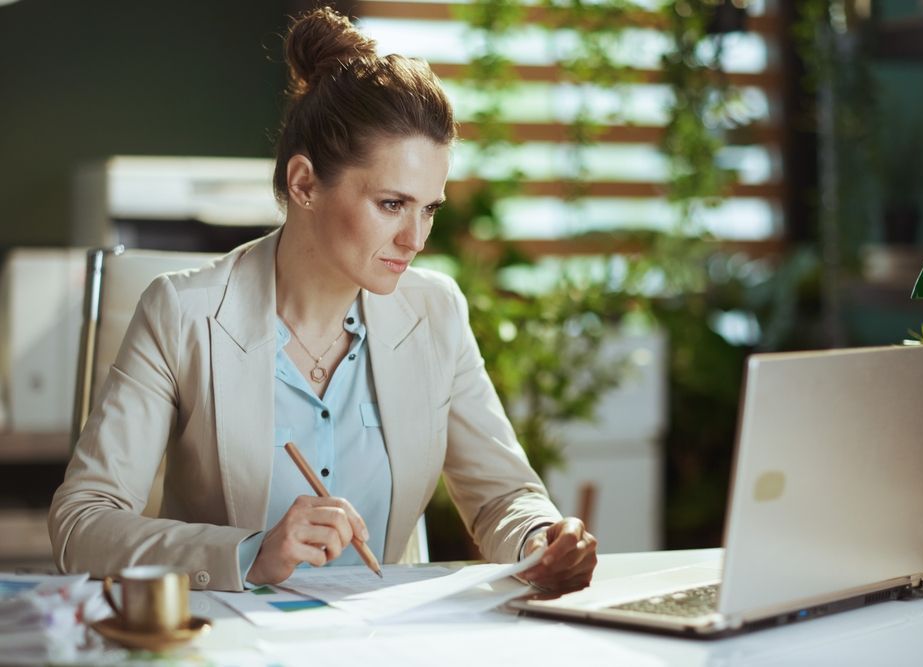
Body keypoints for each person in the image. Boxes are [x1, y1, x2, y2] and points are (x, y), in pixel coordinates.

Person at [49, 7, 597, 593]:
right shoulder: (182, 314)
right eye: (391, 204)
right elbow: (82, 523)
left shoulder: (435, 311)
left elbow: (504, 497)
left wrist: (540, 538)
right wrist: (248, 554)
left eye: (428, 208)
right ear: (304, 183)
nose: (415, 239)